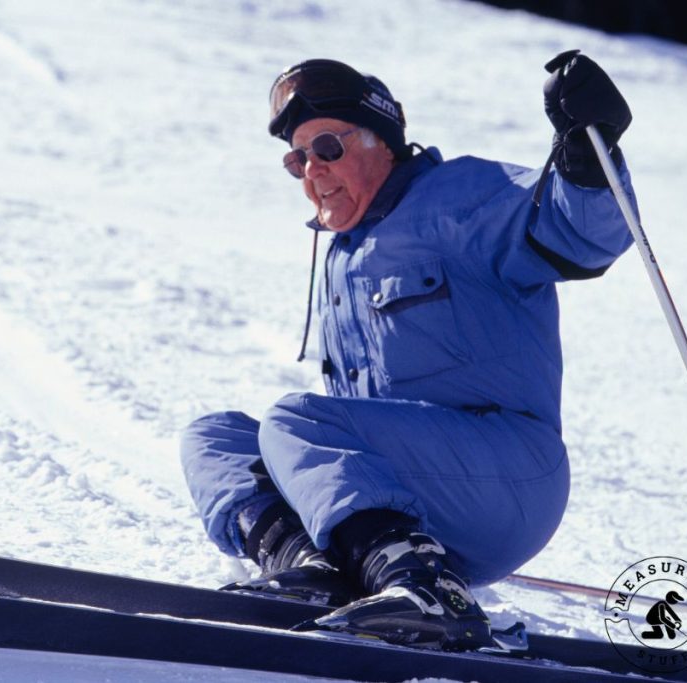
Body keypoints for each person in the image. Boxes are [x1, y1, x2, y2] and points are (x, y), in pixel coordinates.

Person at [180, 51, 636, 649]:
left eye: (327, 148)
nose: (312, 170)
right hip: (413, 493)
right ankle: (319, 571)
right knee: (216, 438)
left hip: (506, 478)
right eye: (297, 159)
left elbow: (582, 235)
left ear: (382, 142)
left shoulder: (459, 198)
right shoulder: (342, 258)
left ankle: (426, 589)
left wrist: (586, 151)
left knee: (297, 420)